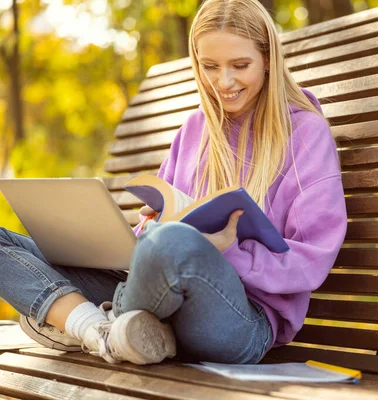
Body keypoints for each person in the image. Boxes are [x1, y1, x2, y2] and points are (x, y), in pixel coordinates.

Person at [0, 0, 346, 365]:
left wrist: (222, 250)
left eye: (240, 65)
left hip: (243, 319)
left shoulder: (306, 135)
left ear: (268, 60)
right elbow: (158, 239)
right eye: (210, 67)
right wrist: (144, 227)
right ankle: (94, 330)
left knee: (174, 242)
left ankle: (77, 322)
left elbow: (311, 260)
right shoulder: (195, 129)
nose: (224, 82)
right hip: (159, 300)